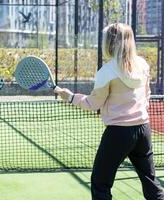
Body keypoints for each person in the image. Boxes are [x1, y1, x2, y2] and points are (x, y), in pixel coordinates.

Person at [54, 23, 164, 200]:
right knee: (151, 183)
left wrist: (70, 96)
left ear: (110, 43)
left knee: (100, 183)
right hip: (144, 129)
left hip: (118, 134)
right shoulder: (143, 64)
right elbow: (147, 95)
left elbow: (93, 103)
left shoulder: (106, 72)